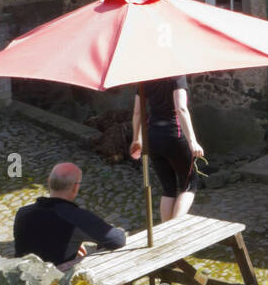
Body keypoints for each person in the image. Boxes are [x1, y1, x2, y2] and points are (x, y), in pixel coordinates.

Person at [13, 163, 127, 270]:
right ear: (75, 188)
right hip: (55, 283)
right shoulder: (76, 217)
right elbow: (117, 239)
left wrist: (72, 244)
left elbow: (43, 239)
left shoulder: (22, 212)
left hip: (23, 276)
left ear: (49, 182)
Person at [129, 75, 204, 221]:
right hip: (174, 136)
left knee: (168, 189)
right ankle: (174, 228)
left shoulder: (145, 79)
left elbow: (137, 112)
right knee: (189, 185)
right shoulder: (177, 76)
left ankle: (164, 230)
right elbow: (181, 108)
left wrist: (136, 139)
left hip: (152, 138)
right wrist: (192, 141)